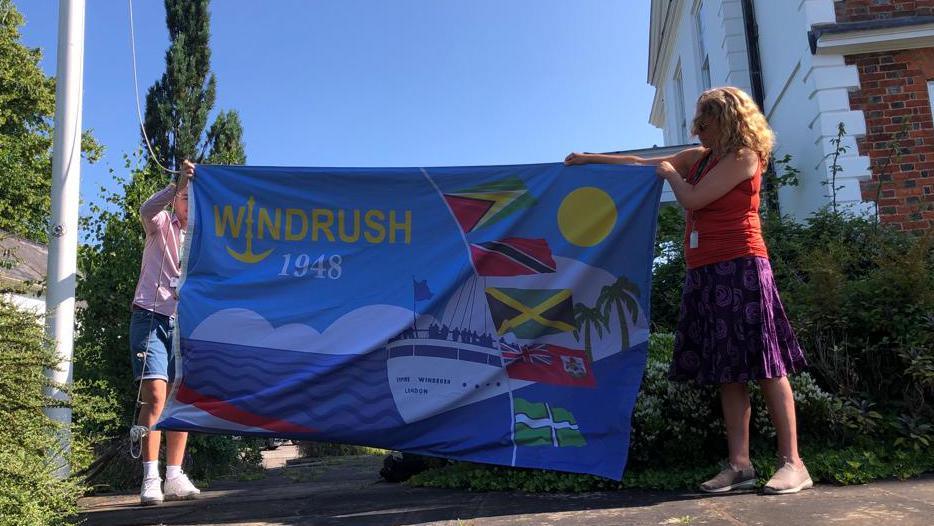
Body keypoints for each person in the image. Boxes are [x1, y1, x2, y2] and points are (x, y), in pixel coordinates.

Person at [565, 87, 811, 495]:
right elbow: (641, 163)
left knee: (766, 365)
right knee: (728, 371)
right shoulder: (702, 157)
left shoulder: (744, 157)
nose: (698, 130)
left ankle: (793, 463)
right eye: (698, 124)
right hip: (706, 271)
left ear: (728, 121)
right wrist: (591, 159)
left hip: (743, 266)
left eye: (706, 123)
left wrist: (671, 174)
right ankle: (740, 465)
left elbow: (692, 196)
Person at [130, 160, 201, 505]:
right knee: (155, 396)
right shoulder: (161, 224)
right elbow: (147, 208)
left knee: (180, 398)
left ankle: (174, 474)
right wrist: (178, 183)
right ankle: (150, 476)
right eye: (184, 197)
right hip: (151, 315)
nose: (188, 202)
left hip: (185, 323)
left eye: (192, 197)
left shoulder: (203, 238)